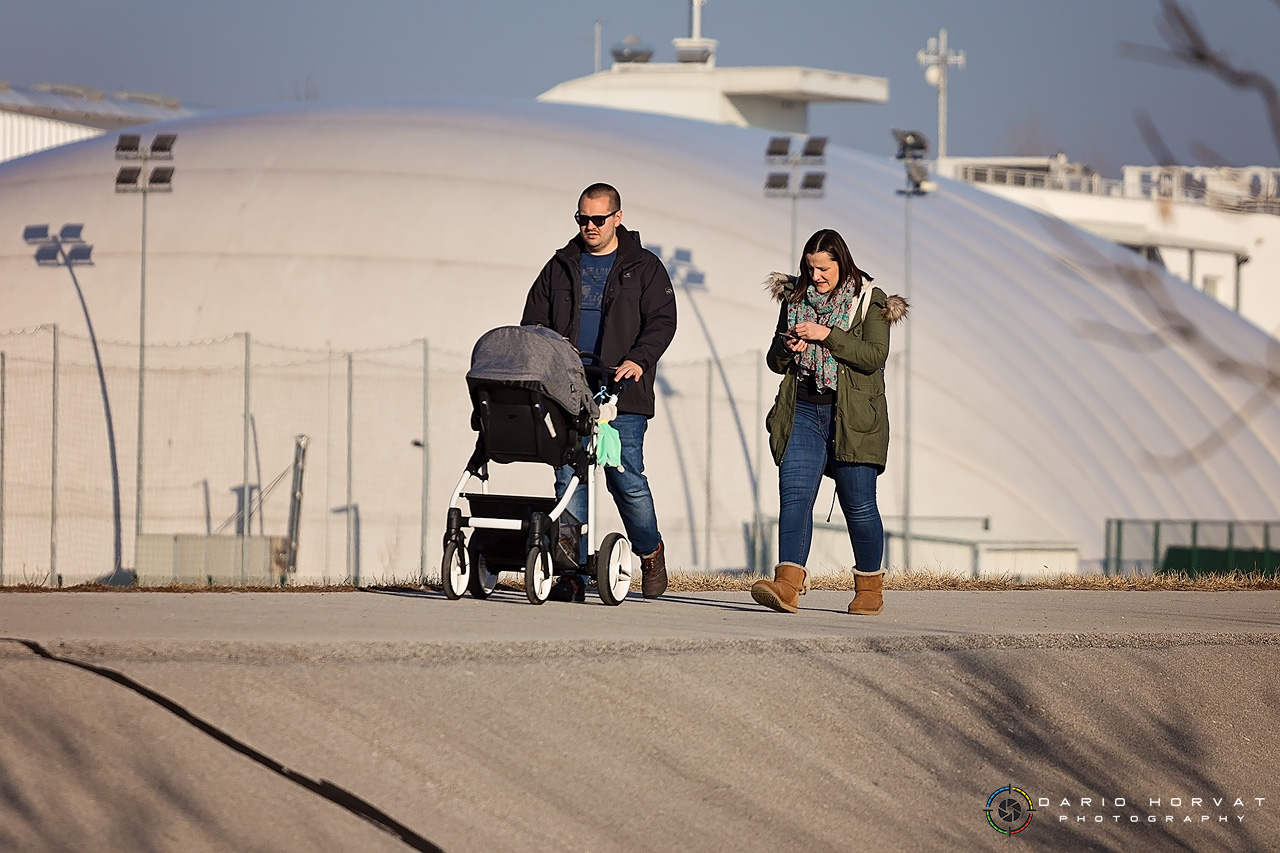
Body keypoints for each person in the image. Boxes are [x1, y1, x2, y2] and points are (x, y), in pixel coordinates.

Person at [521, 183, 677, 600]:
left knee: (624, 477)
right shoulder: (560, 265)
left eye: (598, 219)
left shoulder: (645, 267)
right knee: (568, 480)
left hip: (621, 391)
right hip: (567, 391)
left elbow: (662, 322)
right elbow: (533, 322)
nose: (589, 226)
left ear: (617, 218)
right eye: (582, 219)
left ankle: (650, 552)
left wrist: (639, 360)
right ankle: (571, 572)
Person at [751, 229, 908, 615]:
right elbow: (775, 362)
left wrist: (827, 336)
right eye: (810, 267)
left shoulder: (870, 301)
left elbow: (873, 356)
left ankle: (869, 586)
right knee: (795, 497)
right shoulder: (794, 299)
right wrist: (787, 346)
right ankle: (787, 585)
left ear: (842, 263)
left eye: (823, 268)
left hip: (853, 416)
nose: (816, 276)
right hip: (803, 410)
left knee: (859, 506)